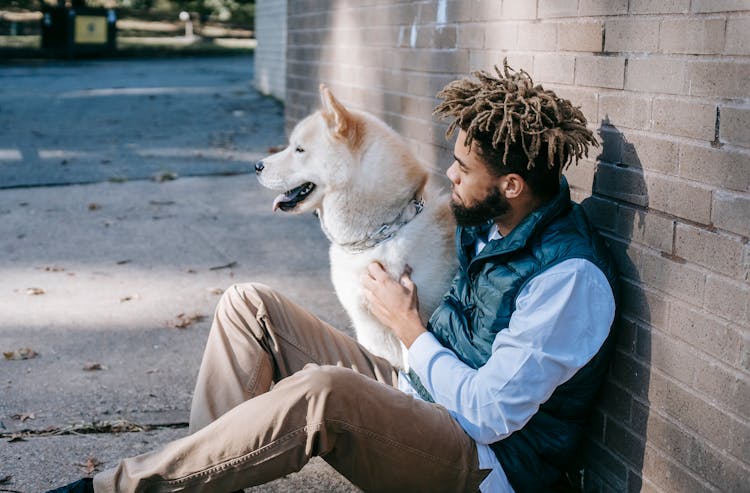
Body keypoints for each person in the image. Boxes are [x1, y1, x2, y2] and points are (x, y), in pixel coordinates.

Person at [49, 62, 617, 493]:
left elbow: (491, 416)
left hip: (483, 465)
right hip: (420, 396)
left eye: (464, 170)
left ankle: (115, 489)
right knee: (250, 306)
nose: (451, 174)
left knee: (324, 394)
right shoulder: (492, 222)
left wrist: (407, 327)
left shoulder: (567, 280)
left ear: (512, 184)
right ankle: (193, 483)